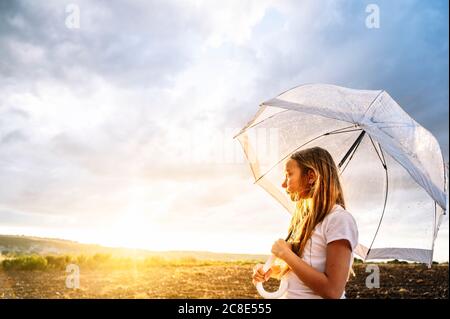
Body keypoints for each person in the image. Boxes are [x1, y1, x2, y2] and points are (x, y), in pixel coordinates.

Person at [252, 147, 359, 299]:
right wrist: (273, 270)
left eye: (289, 175)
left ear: (311, 176)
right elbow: (305, 269)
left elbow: (332, 291)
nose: (283, 184)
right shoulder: (304, 219)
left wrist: (286, 254)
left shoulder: (339, 220)